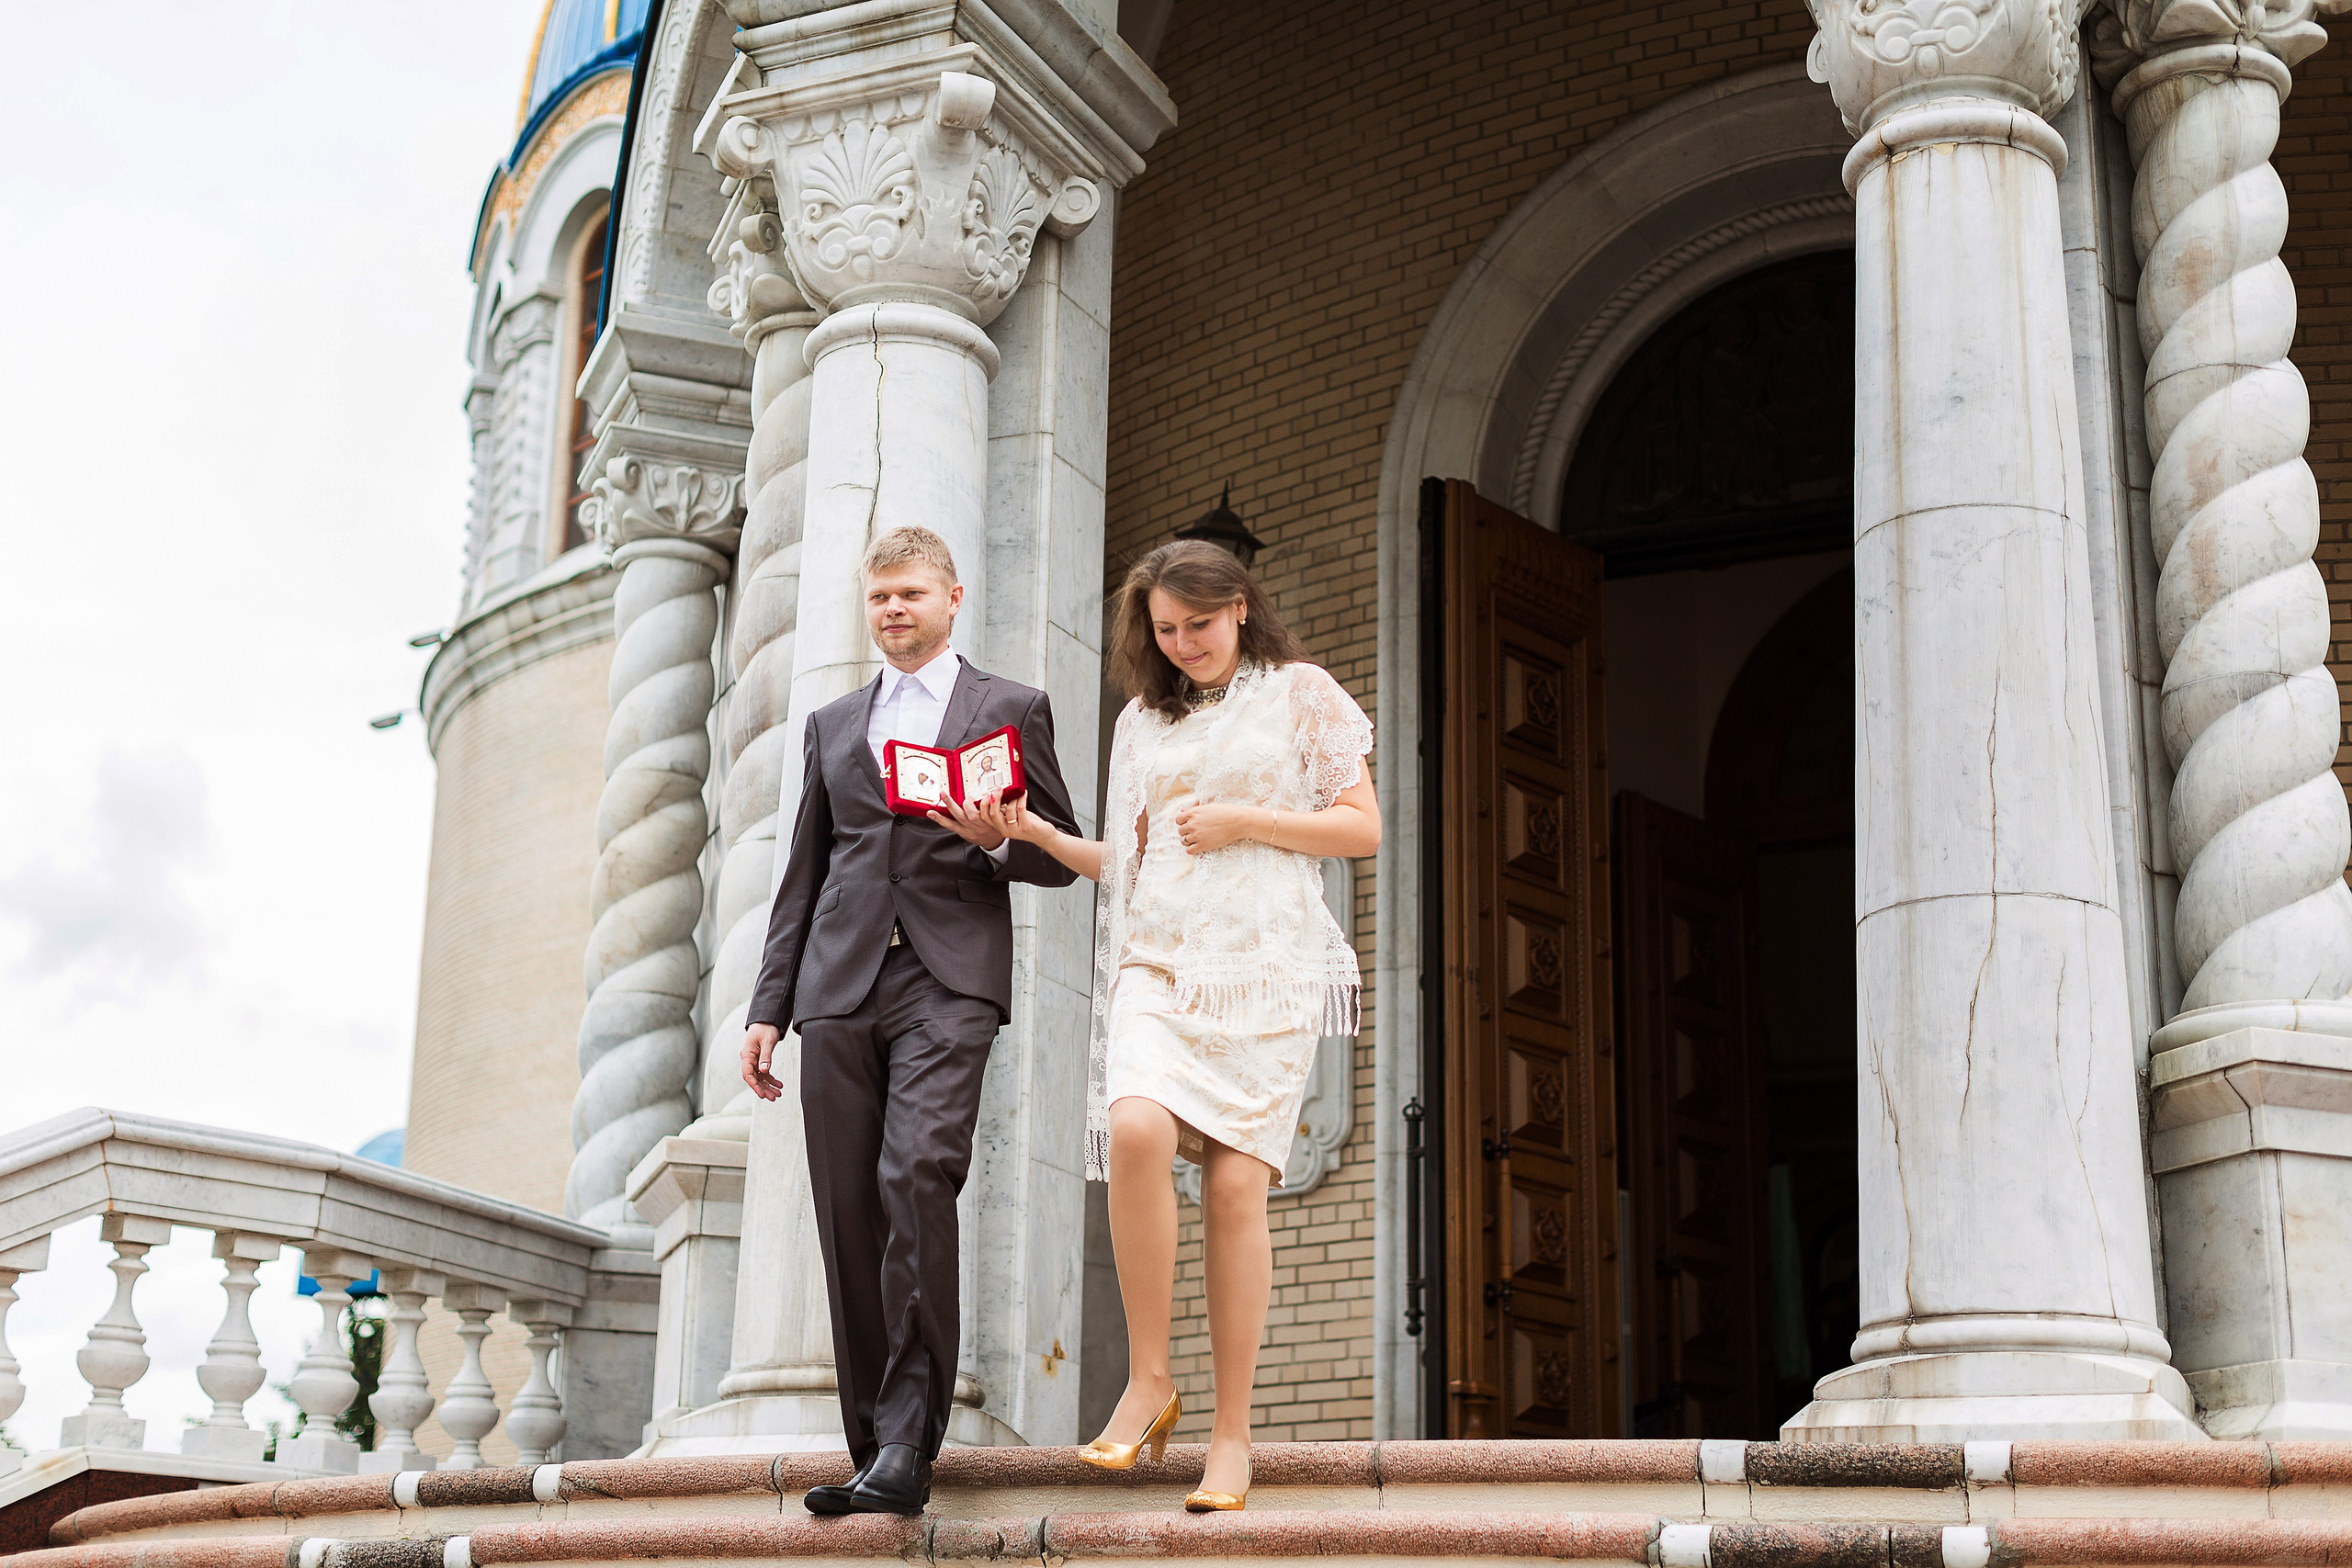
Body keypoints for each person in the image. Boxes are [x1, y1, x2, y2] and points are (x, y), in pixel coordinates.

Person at [975, 539, 1379, 1512]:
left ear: (1240, 607)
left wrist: (1247, 820)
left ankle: (1230, 1437)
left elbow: (1359, 825)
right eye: (1166, 628)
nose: (1184, 641)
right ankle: (1150, 1379)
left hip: (1263, 970)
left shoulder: (1302, 693)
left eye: (1199, 622)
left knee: (1238, 1192)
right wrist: (1035, 837)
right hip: (1158, 964)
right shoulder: (1139, 723)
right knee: (1135, 1127)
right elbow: (1139, 861)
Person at [739, 525, 1080, 1517]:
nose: (893, 610)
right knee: (849, 1210)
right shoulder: (833, 723)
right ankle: (870, 1449)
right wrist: (768, 1009)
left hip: (948, 979)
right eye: (879, 596)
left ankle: (906, 1442)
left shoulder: (1009, 708)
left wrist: (999, 840)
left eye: (911, 595)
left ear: (952, 598)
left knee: (915, 1171)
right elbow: (801, 878)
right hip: (837, 992)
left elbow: (1057, 854)